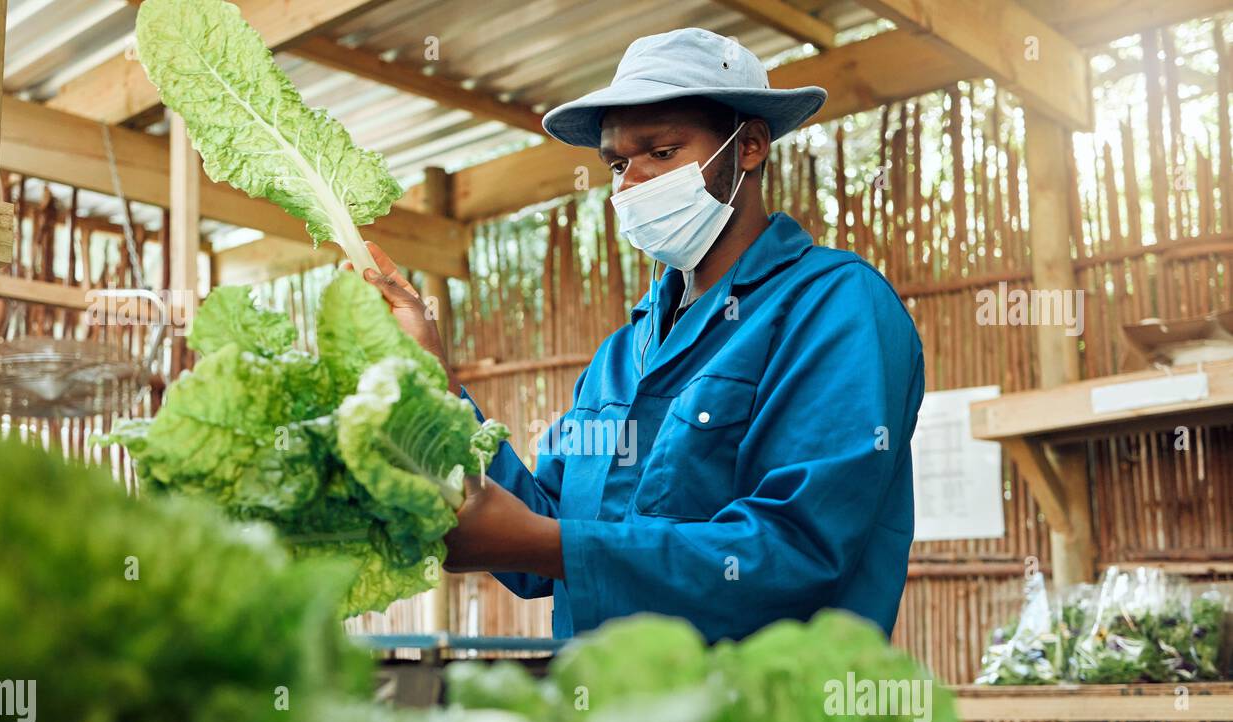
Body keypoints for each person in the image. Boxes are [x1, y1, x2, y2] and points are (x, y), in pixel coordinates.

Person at [357, 27, 924, 643]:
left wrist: (549, 543)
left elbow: (798, 550)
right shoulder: (620, 358)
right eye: (618, 164)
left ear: (751, 145)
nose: (630, 185)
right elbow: (537, 533)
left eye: (661, 152)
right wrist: (430, 377)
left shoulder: (834, 306)